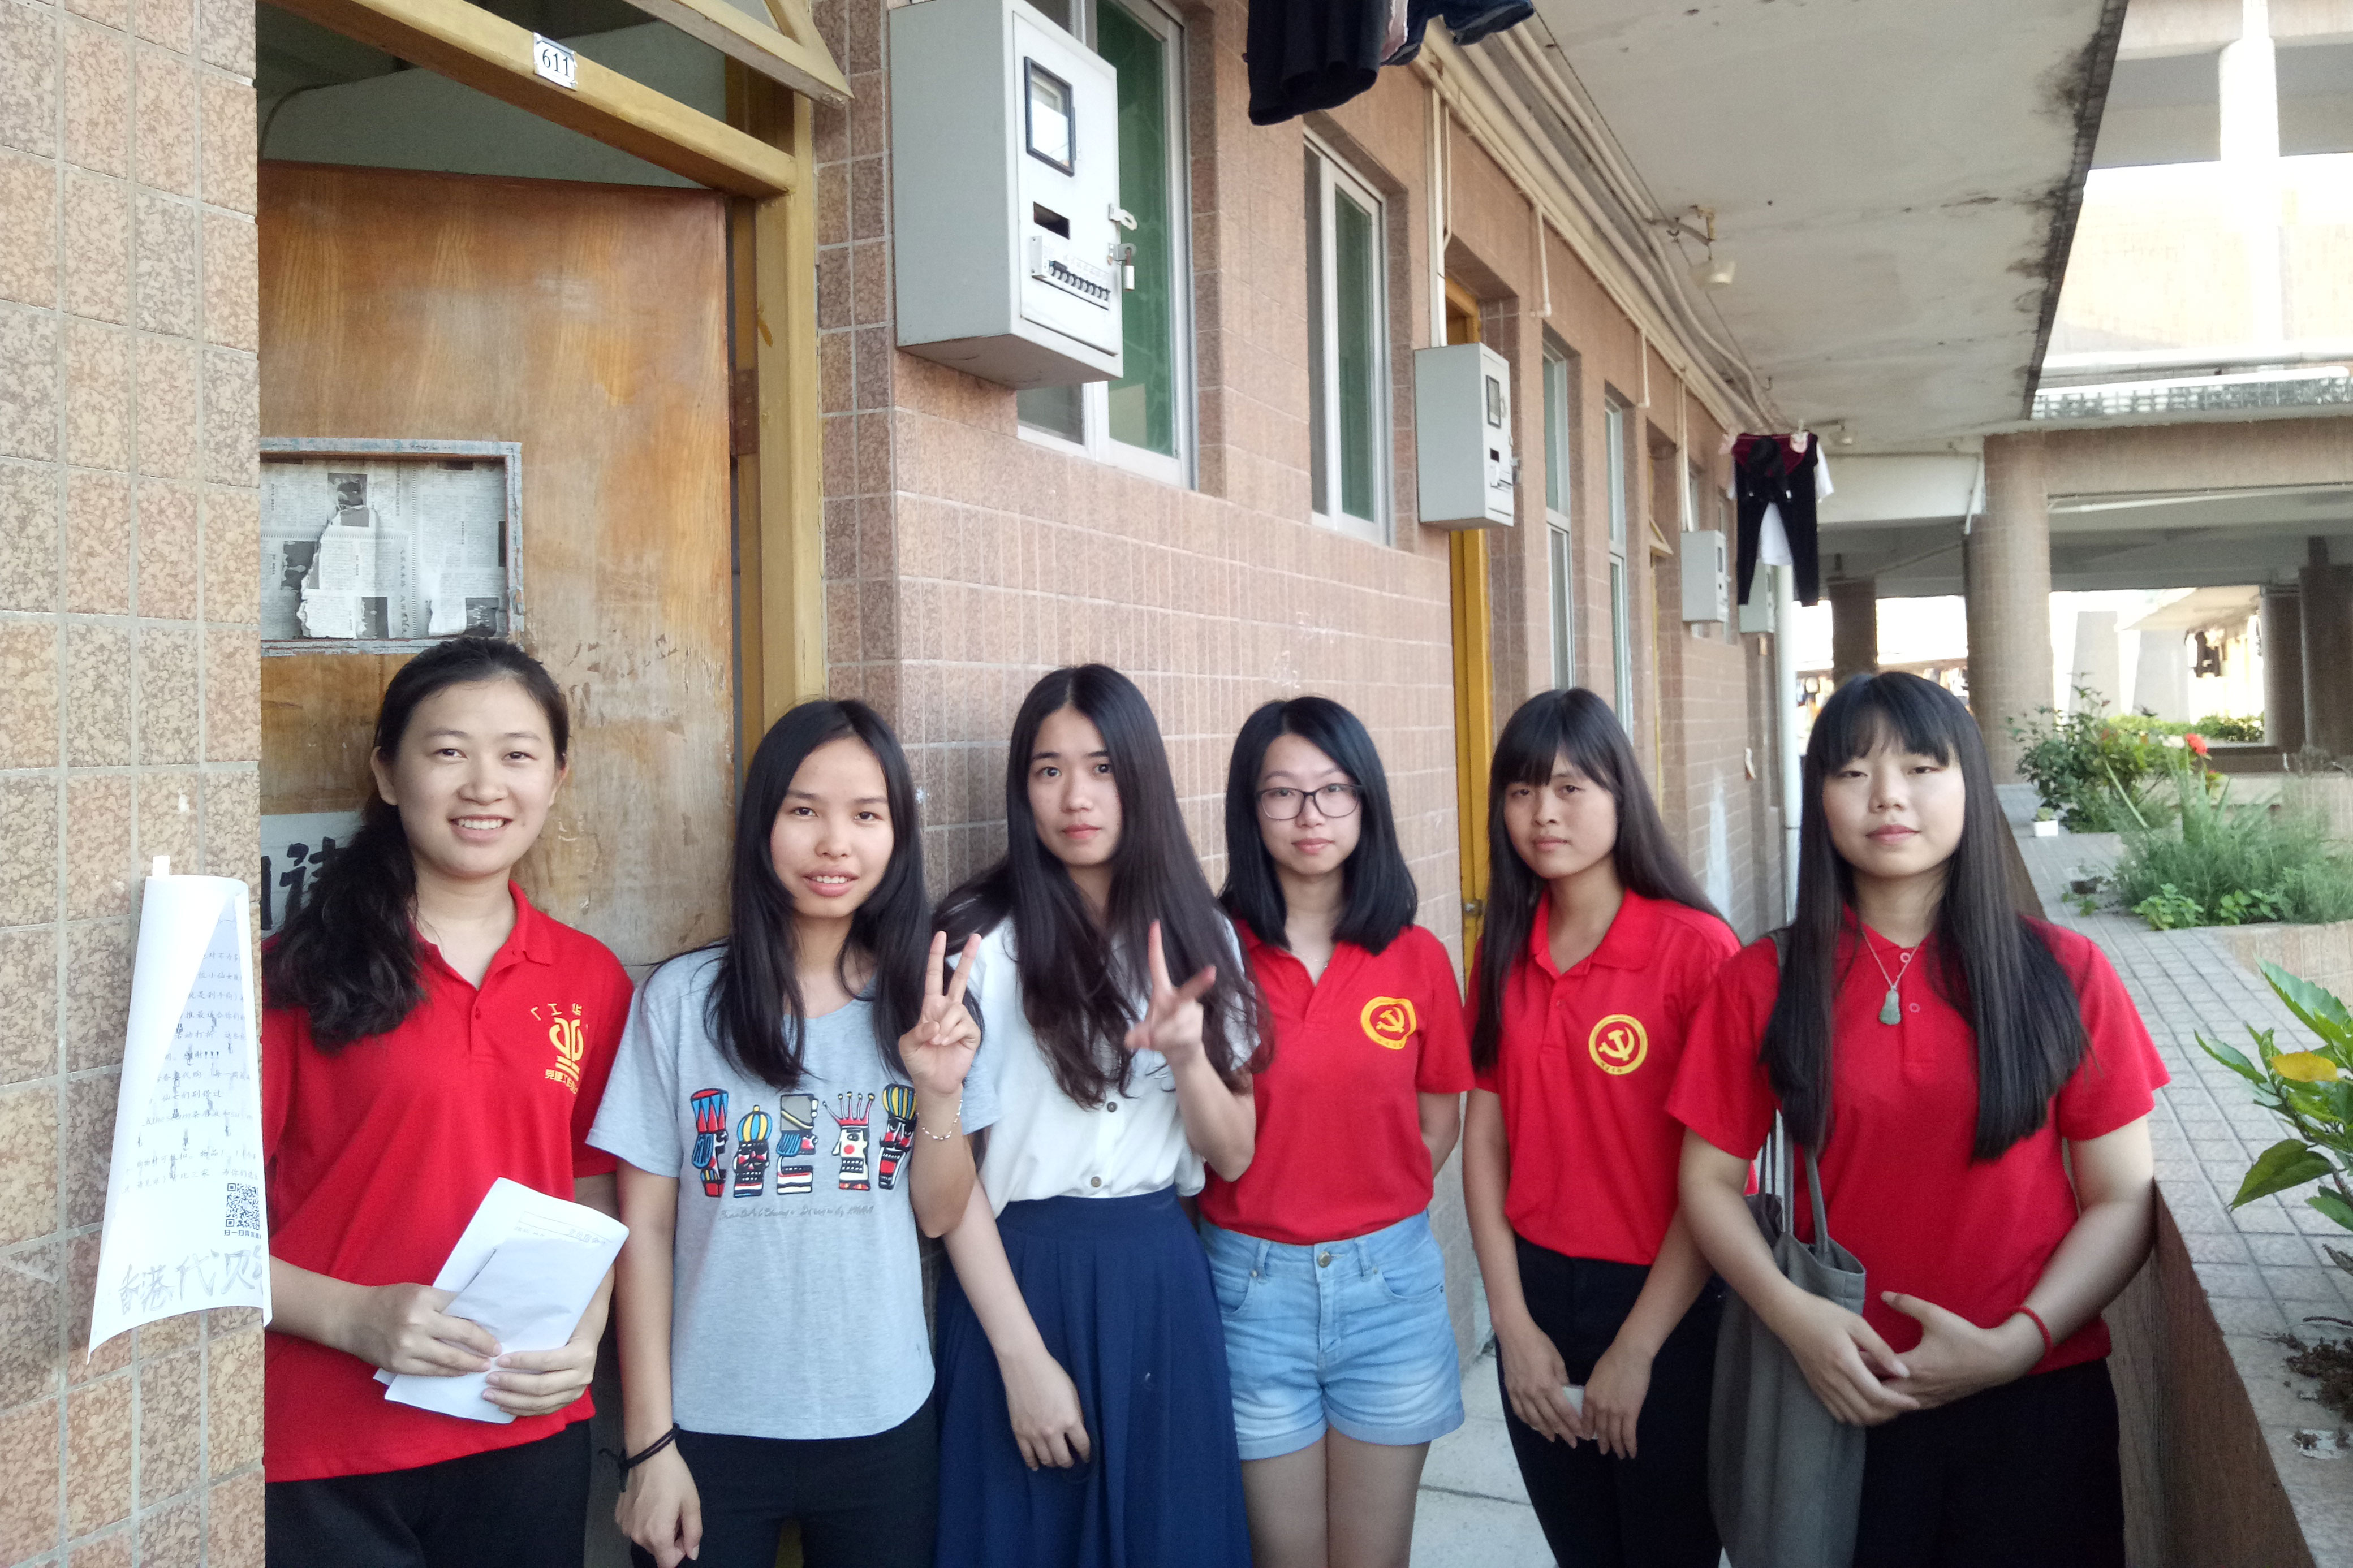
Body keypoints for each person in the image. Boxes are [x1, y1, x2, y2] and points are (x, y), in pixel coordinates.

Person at [1673, 672, 2167, 1567]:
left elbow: (2123, 1197)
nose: (1888, 795)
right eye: (1853, 771)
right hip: (1843, 1395)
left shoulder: (2065, 971)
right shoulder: (1764, 979)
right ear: (1820, 795)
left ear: (1969, 784)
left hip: (2038, 1401)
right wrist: (1796, 1320)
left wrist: (2016, 1344)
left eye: (1922, 767)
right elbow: (1706, 1180)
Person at [260, 636, 631, 1568]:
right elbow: (202, 1226)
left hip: (523, 1425)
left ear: (556, 777)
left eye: (517, 754)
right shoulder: (291, 975)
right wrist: (351, 1317)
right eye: (449, 751)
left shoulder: (588, 977)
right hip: (328, 1447)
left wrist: (585, 1334)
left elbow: (592, 1187)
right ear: (388, 773)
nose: (485, 785)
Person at [589, 700, 980, 1568]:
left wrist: (938, 1093)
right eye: (805, 809)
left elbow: (938, 1213)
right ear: (763, 821)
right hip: (708, 1425)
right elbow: (643, 1227)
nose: (835, 842)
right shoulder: (682, 1003)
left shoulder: (926, 1006)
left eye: (866, 815)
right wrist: (649, 1444)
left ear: (898, 836)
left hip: (883, 1419)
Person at [932, 664, 1258, 1568]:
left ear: (1141, 775)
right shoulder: (976, 941)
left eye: (1103, 766)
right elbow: (952, 1181)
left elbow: (1233, 1154)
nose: (1076, 795)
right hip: (1017, 1276)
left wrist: (1188, 1055)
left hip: (1158, 1281)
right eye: (1049, 769)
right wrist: (1021, 1357)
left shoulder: (1204, 936)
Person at [1462, 687, 1739, 1568]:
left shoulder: (1697, 951)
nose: (1543, 812)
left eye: (1570, 787)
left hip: (1670, 1299)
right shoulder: (1504, 946)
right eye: (1521, 790)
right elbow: (1484, 1144)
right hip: (1539, 1293)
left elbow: (1718, 1177)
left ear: (1622, 793)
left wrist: (1638, 1347)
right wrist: (1512, 1326)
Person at [1200, 696, 1475, 1568]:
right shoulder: (1213, 953)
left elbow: (1440, 1119)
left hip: (1388, 1288)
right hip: (1250, 1290)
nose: (1310, 815)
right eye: (1283, 793)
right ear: (1251, 809)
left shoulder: (1417, 956)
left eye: (1333, 790)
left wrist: (1363, 1196)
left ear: (1366, 801)